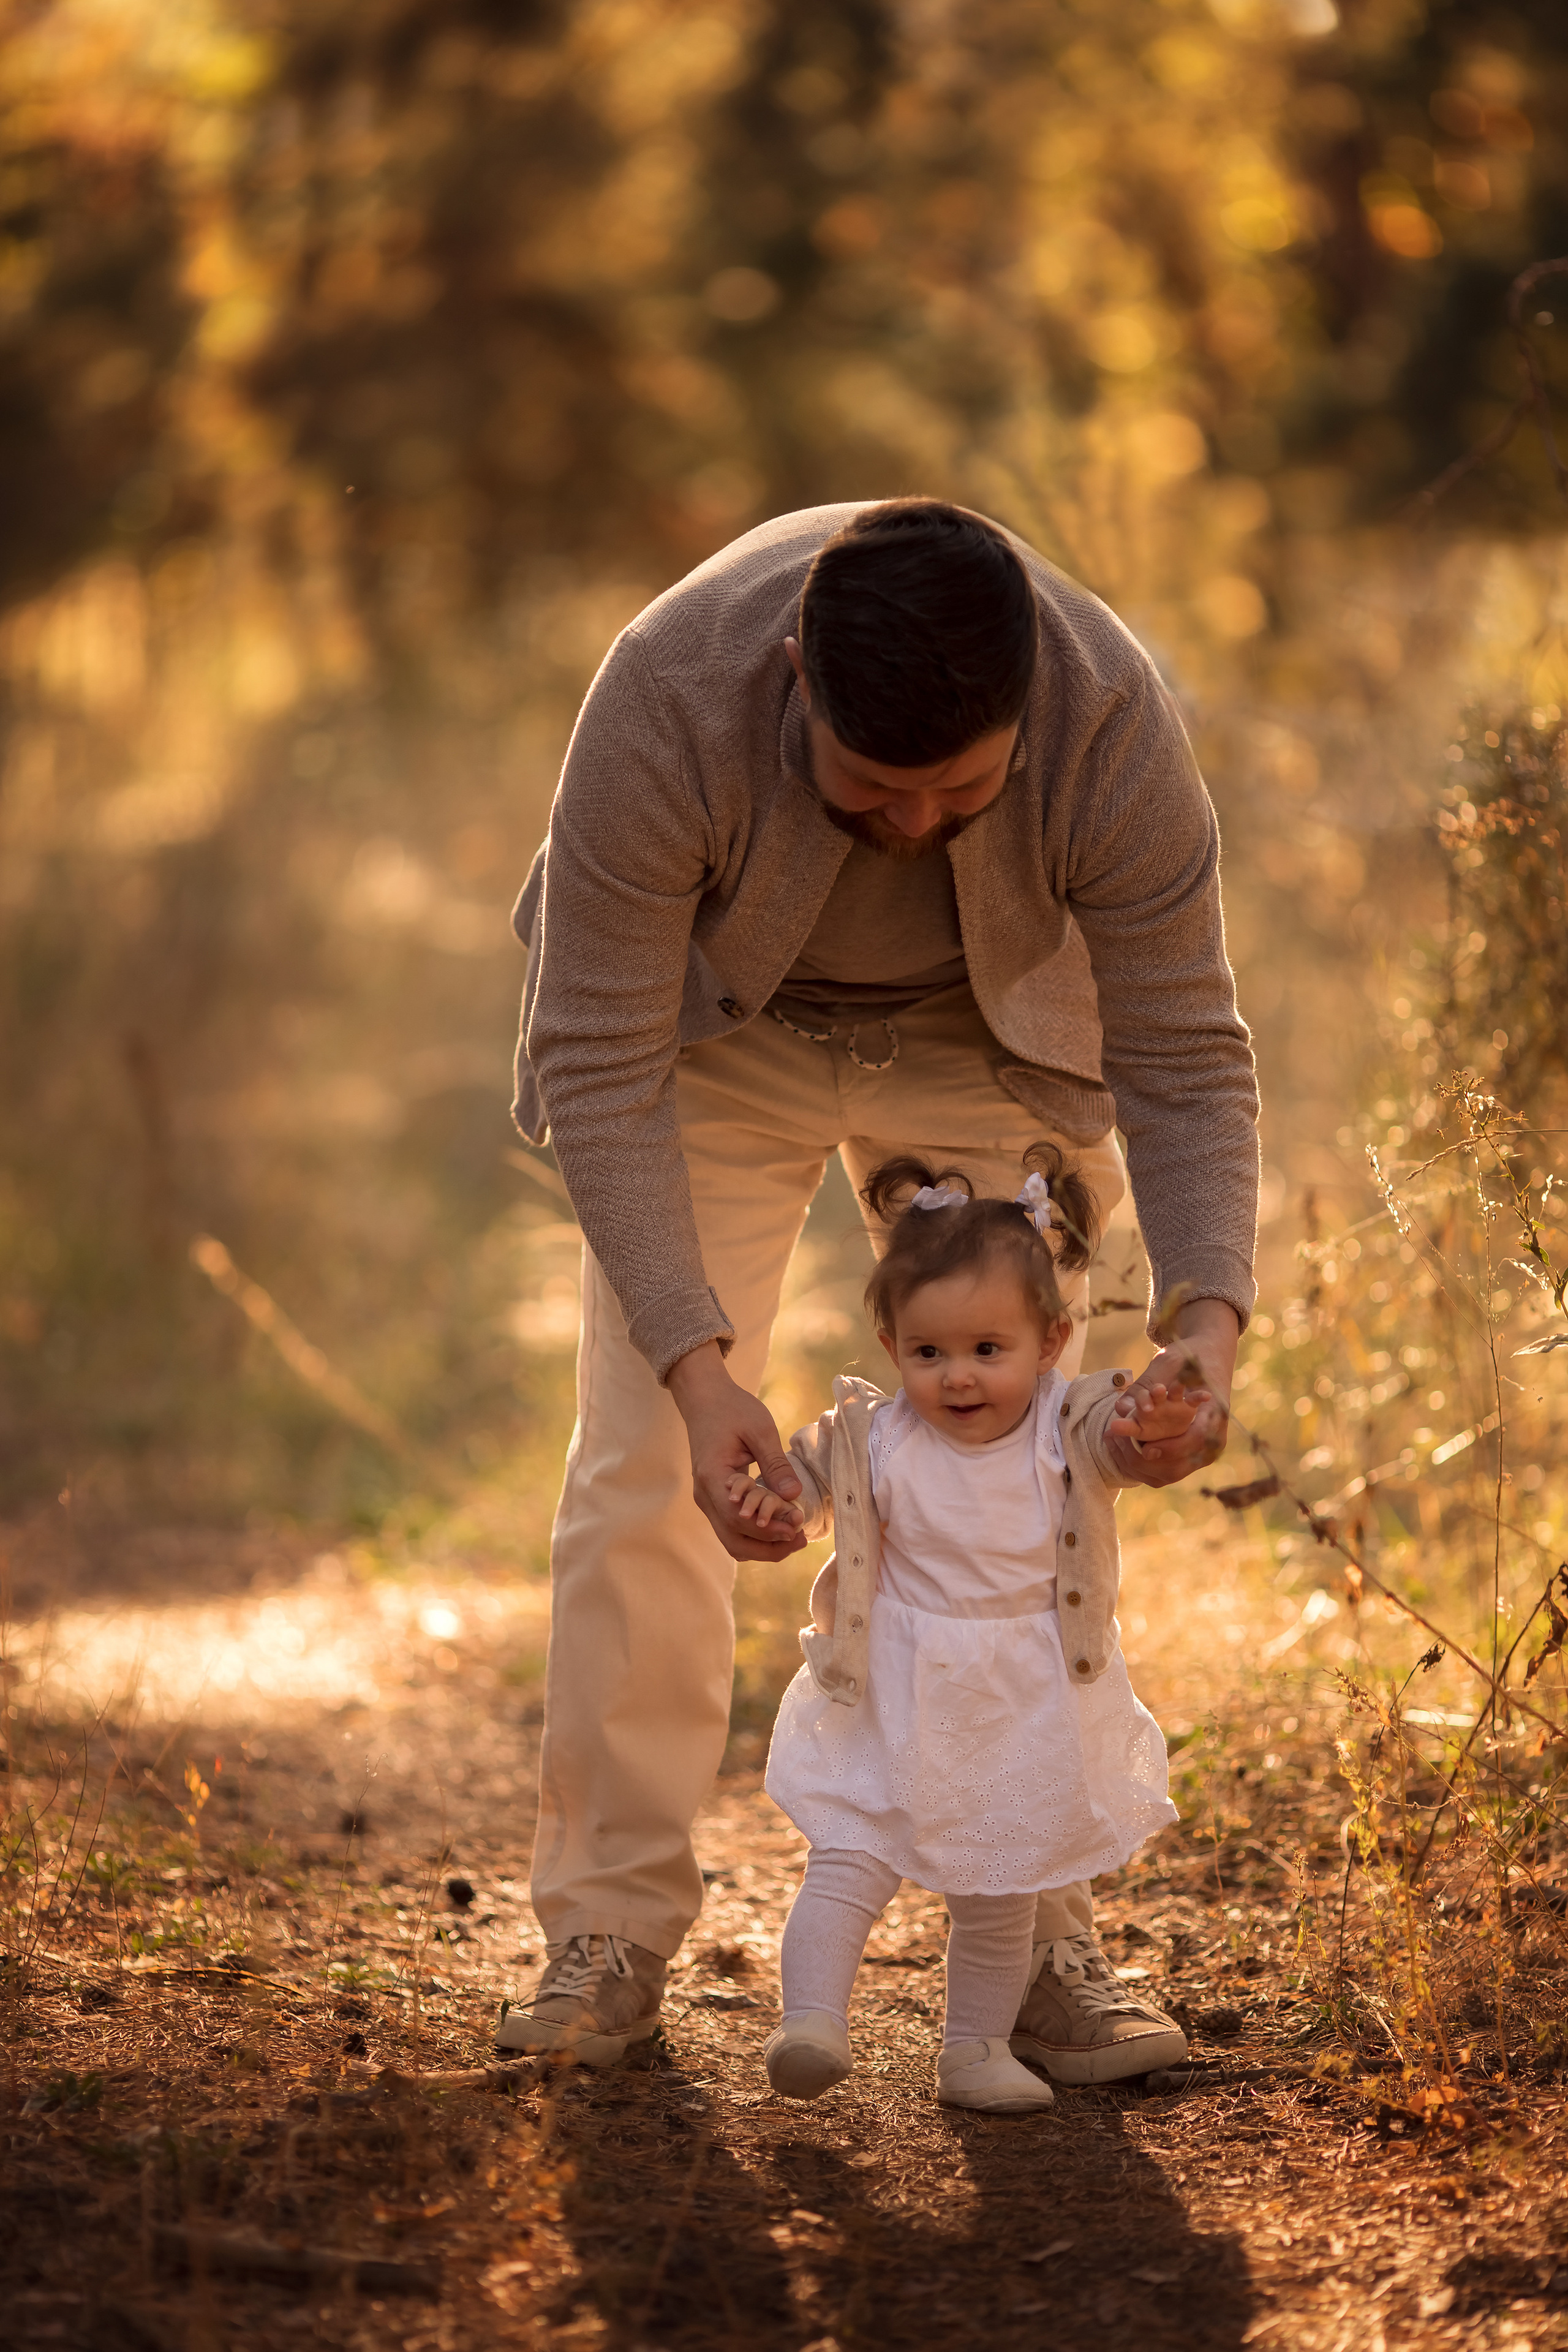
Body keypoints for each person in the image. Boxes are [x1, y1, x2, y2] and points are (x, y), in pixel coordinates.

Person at [498, 497, 1259, 2076]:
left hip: (988, 1035)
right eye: (868, 786)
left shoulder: (1106, 716)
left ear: (1027, 708)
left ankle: (1038, 1942)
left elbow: (1185, 1054)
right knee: (645, 1465)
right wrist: (698, 1372)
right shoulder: (666, 696)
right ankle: (606, 1930)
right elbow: (597, 1056)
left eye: (962, 791)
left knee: (1030, 1465)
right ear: (795, 674)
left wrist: (1204, 1330)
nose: (914, 821)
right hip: (714, 1033)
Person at [733, 1147, 1197, 2111]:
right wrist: (780, 1504)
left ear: (1051, 1340)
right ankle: (810, 2021)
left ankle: (976, 2051)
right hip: (894, 1686)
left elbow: (1123, 1438)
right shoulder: (876, 1435)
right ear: (892, 1344)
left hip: (1020, 1699)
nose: (956, 1377)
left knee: (1002, 1889)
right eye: (928, 1353)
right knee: (851, 1856)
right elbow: (809, 1485)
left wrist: (1154, 1419)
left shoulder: (1066, 1427)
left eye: (989, 1350)